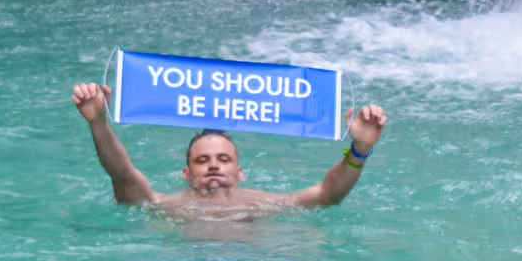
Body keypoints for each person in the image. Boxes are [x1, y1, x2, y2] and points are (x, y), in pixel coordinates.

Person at [71, 82, 387, 216]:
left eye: (224, 159)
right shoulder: (165, 207)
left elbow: (327, 195)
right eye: (202, 160)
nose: (213, 165)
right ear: (186, 173)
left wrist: (360, 147)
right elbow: (123, 175)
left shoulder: (265, 205)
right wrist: (98, 122)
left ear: (240, 172)